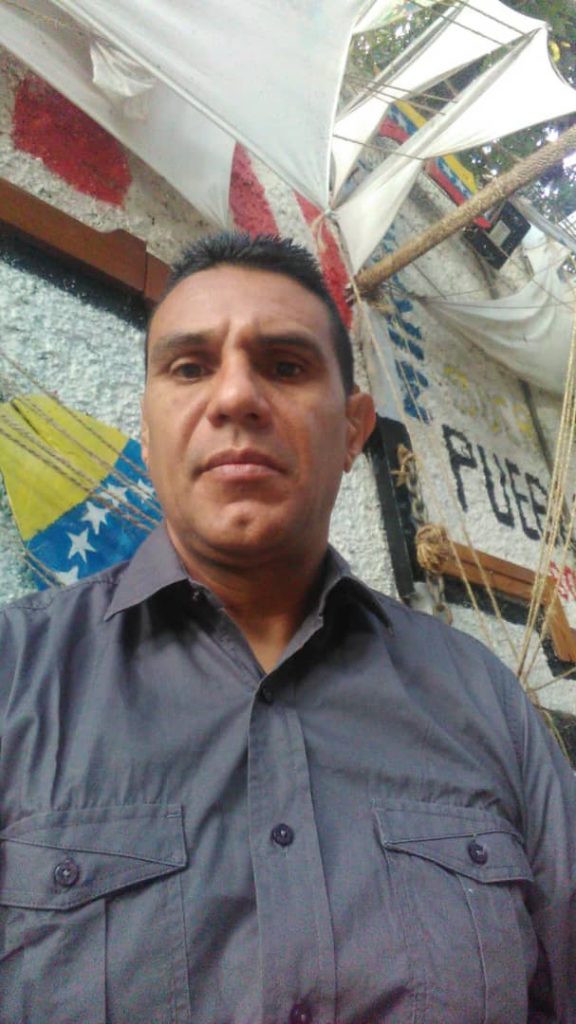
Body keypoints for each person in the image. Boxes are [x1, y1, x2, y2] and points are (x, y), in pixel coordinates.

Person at [0, 232, 574, 1024]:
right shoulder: (16, 676)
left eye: (286, 365)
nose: (235, 397)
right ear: (150, 427)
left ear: (353, 430)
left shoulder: (486, 702)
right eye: (190, 367)